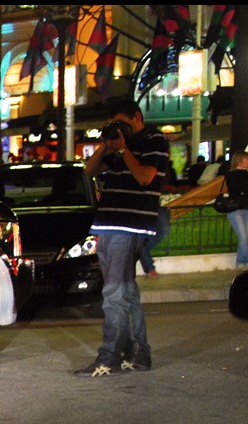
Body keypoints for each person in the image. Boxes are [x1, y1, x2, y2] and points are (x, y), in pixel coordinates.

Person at [76, 97, 170, 377]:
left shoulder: (154, 140)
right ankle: (138, 355)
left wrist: (125, 149)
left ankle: (110, 357)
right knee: (126, 293)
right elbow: (89, 171)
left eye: (123, 124)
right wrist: (106, 145)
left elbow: (145, 177)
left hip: (128, 225)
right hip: (109, 224)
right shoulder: (115, 146)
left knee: (113, 294)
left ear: (137, 118)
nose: (120, 130)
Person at [219, 150, 248, 270]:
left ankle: (240, 261)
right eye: (247, 159)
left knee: (245, 237)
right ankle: (246, 260)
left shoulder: (241, 175)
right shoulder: (231, 175)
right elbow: (238, 190)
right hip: (235, 209)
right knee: (243, 237)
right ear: (241, 161)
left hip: (246, 208)